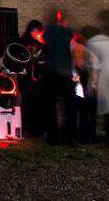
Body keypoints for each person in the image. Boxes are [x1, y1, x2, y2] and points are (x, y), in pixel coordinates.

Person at [42, 10, 77, 145]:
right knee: (69, 105)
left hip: (52, 72)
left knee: (50, 105)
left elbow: (45, 49)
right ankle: (69, 137)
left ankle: (52, 137)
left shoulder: (47, 31)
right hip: (66, 72)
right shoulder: (67, 32)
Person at [72, 30, 97, 143]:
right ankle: (88, 136)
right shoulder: (89, 50)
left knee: (81, 109)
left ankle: (81, 135)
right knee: (88, 111)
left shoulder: (77, 48)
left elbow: (78, 65)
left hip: (81, 79)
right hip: (88, 82)